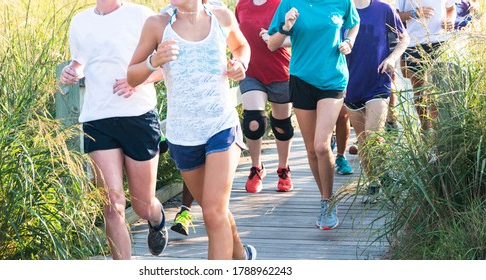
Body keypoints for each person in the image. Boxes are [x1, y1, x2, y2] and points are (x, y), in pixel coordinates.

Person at [127, 0, 255, 260]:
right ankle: (241, 256)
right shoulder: (158, 25)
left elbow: (242, 46)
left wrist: (240, 64)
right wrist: (154, 61)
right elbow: (132, 76)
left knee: (213, 212)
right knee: (214, 208)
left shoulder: (221, 17)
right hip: (183, 135)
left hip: (221, 125)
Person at [59, 0, 168, 259]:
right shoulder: (80, 21)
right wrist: (71, 70)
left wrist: (136, 82)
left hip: (138, 116)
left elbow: (166, 67)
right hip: (99, 117)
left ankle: (156, 217)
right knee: (112, 206)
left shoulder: (144, 16)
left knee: (142, 205)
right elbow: (81, 62)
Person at [267, 0, 359, 230]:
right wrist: (286, 26)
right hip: (301, 79)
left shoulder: (342, 2)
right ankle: (326, 198)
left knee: (321, 145)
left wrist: (349, 41)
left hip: (333, 79)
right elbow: (271, 44)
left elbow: (354, 24)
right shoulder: (289, 3)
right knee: (310, 148)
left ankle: (328, 202)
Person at [344, 0, 408, 199]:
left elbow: (404, 38)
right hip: (350, 83)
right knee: (363, 140)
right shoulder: (341, 9)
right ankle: (374, 180)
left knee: (373, 136)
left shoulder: (384, 10)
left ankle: (385, 176)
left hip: (378, 80)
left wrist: (391, 58)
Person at [235, 0, 294, 193]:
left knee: (281, 126)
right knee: (253, 122)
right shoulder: (241, 4)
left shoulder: (283, 4)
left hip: (280, 72)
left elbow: (298, 37)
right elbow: (235, 39)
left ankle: (283, 169)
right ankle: (256, 168)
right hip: (251, 72)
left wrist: (273, 39)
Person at [395, 0, 456, 132]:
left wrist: (450, 20)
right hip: (414, 44)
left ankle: (439, 132)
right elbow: (395, 16)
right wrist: (414, 13)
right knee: (420, 92)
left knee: (438, 92)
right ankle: (426, 130)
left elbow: (451, 8)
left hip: (440, 42)